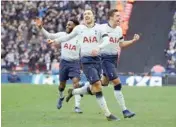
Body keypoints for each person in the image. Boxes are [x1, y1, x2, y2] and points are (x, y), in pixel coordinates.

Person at [49, 9, 118, 121]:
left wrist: (99, 47)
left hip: (98, 60)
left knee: (94, 87)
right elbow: (67, 37)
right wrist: (55, 41)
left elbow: (107, 40)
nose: (86, 15)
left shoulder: (100, 28)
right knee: (97, 85)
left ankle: (74, 91)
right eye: (85, 14)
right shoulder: (79, 29)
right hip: (86, 61)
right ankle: (108, 114)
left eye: (89, 14)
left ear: (93, 16)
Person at [35, 18, 83, 113]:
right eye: (67, 24)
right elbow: (50, 35)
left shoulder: (79, 37)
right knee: (62, 85)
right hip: (64, 63)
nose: (67, 26)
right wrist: (41, 28)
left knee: (76, 83)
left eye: (69, 25)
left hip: (75, 63)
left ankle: (77, 106)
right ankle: (61, 97)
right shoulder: (62, 35)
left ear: (75, 27)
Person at [99, 9, 140, 118]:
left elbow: (121, 44)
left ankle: (80, 91)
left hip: (113, 59)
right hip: (105, 58)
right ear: (111, 17)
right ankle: (125, 110)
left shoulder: (118, 30)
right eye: (117, 16)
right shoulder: (102, 28)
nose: (119, 18)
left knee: (102, 83)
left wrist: (132, 41)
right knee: (117, 83)